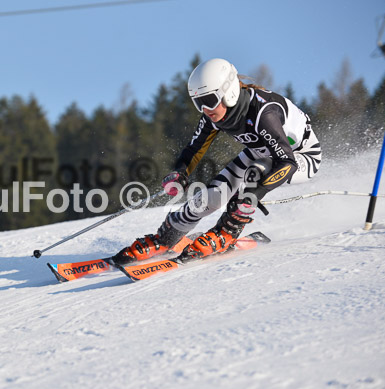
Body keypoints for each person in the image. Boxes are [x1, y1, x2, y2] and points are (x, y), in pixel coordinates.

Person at [113, 58, 321, 264]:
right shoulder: (214, 117)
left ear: (228, 92)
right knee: (213, 194)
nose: (205, 109)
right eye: (198, 103)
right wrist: (180, 173)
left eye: (209, 100)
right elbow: (194, 149)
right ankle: (166, 238)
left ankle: (226, 233)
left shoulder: (263, 114)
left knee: (253, 176)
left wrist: (255, 194)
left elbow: (288, 163)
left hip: (302, 157)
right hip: (259, 153)